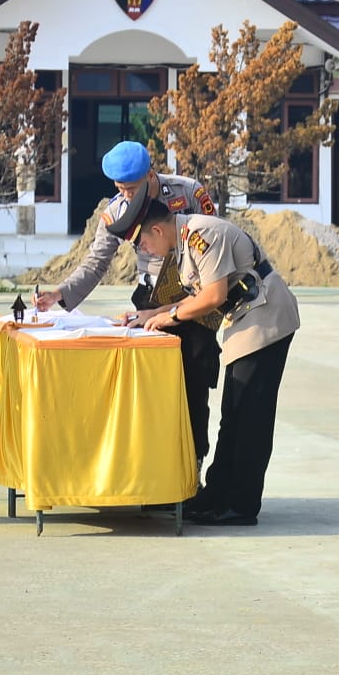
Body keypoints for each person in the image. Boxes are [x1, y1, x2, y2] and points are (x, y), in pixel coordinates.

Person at [109, 183, 299, 526]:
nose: (145, 250)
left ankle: (240, 505)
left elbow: (211, 297)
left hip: (265, 315)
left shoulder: (201, 234)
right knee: (233, 414)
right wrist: (151, 314)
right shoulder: (183, 243)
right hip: (245, 317)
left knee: (249, 416)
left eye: (143, 242)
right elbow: (195, 298)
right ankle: (216, 495)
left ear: (155, 229)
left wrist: (169, 316)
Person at [33, 141, 221, 464]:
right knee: (151, 388)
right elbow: (95, 263)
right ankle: (154, 471)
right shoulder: (116, 212)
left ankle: (192, 466)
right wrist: (59, 293)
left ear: (151, 174)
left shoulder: (187, 193)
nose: (127, 196)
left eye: (132, 188)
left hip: (191, 295)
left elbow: (215, 238)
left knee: (193, 383)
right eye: (120, 189)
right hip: (149, 299)